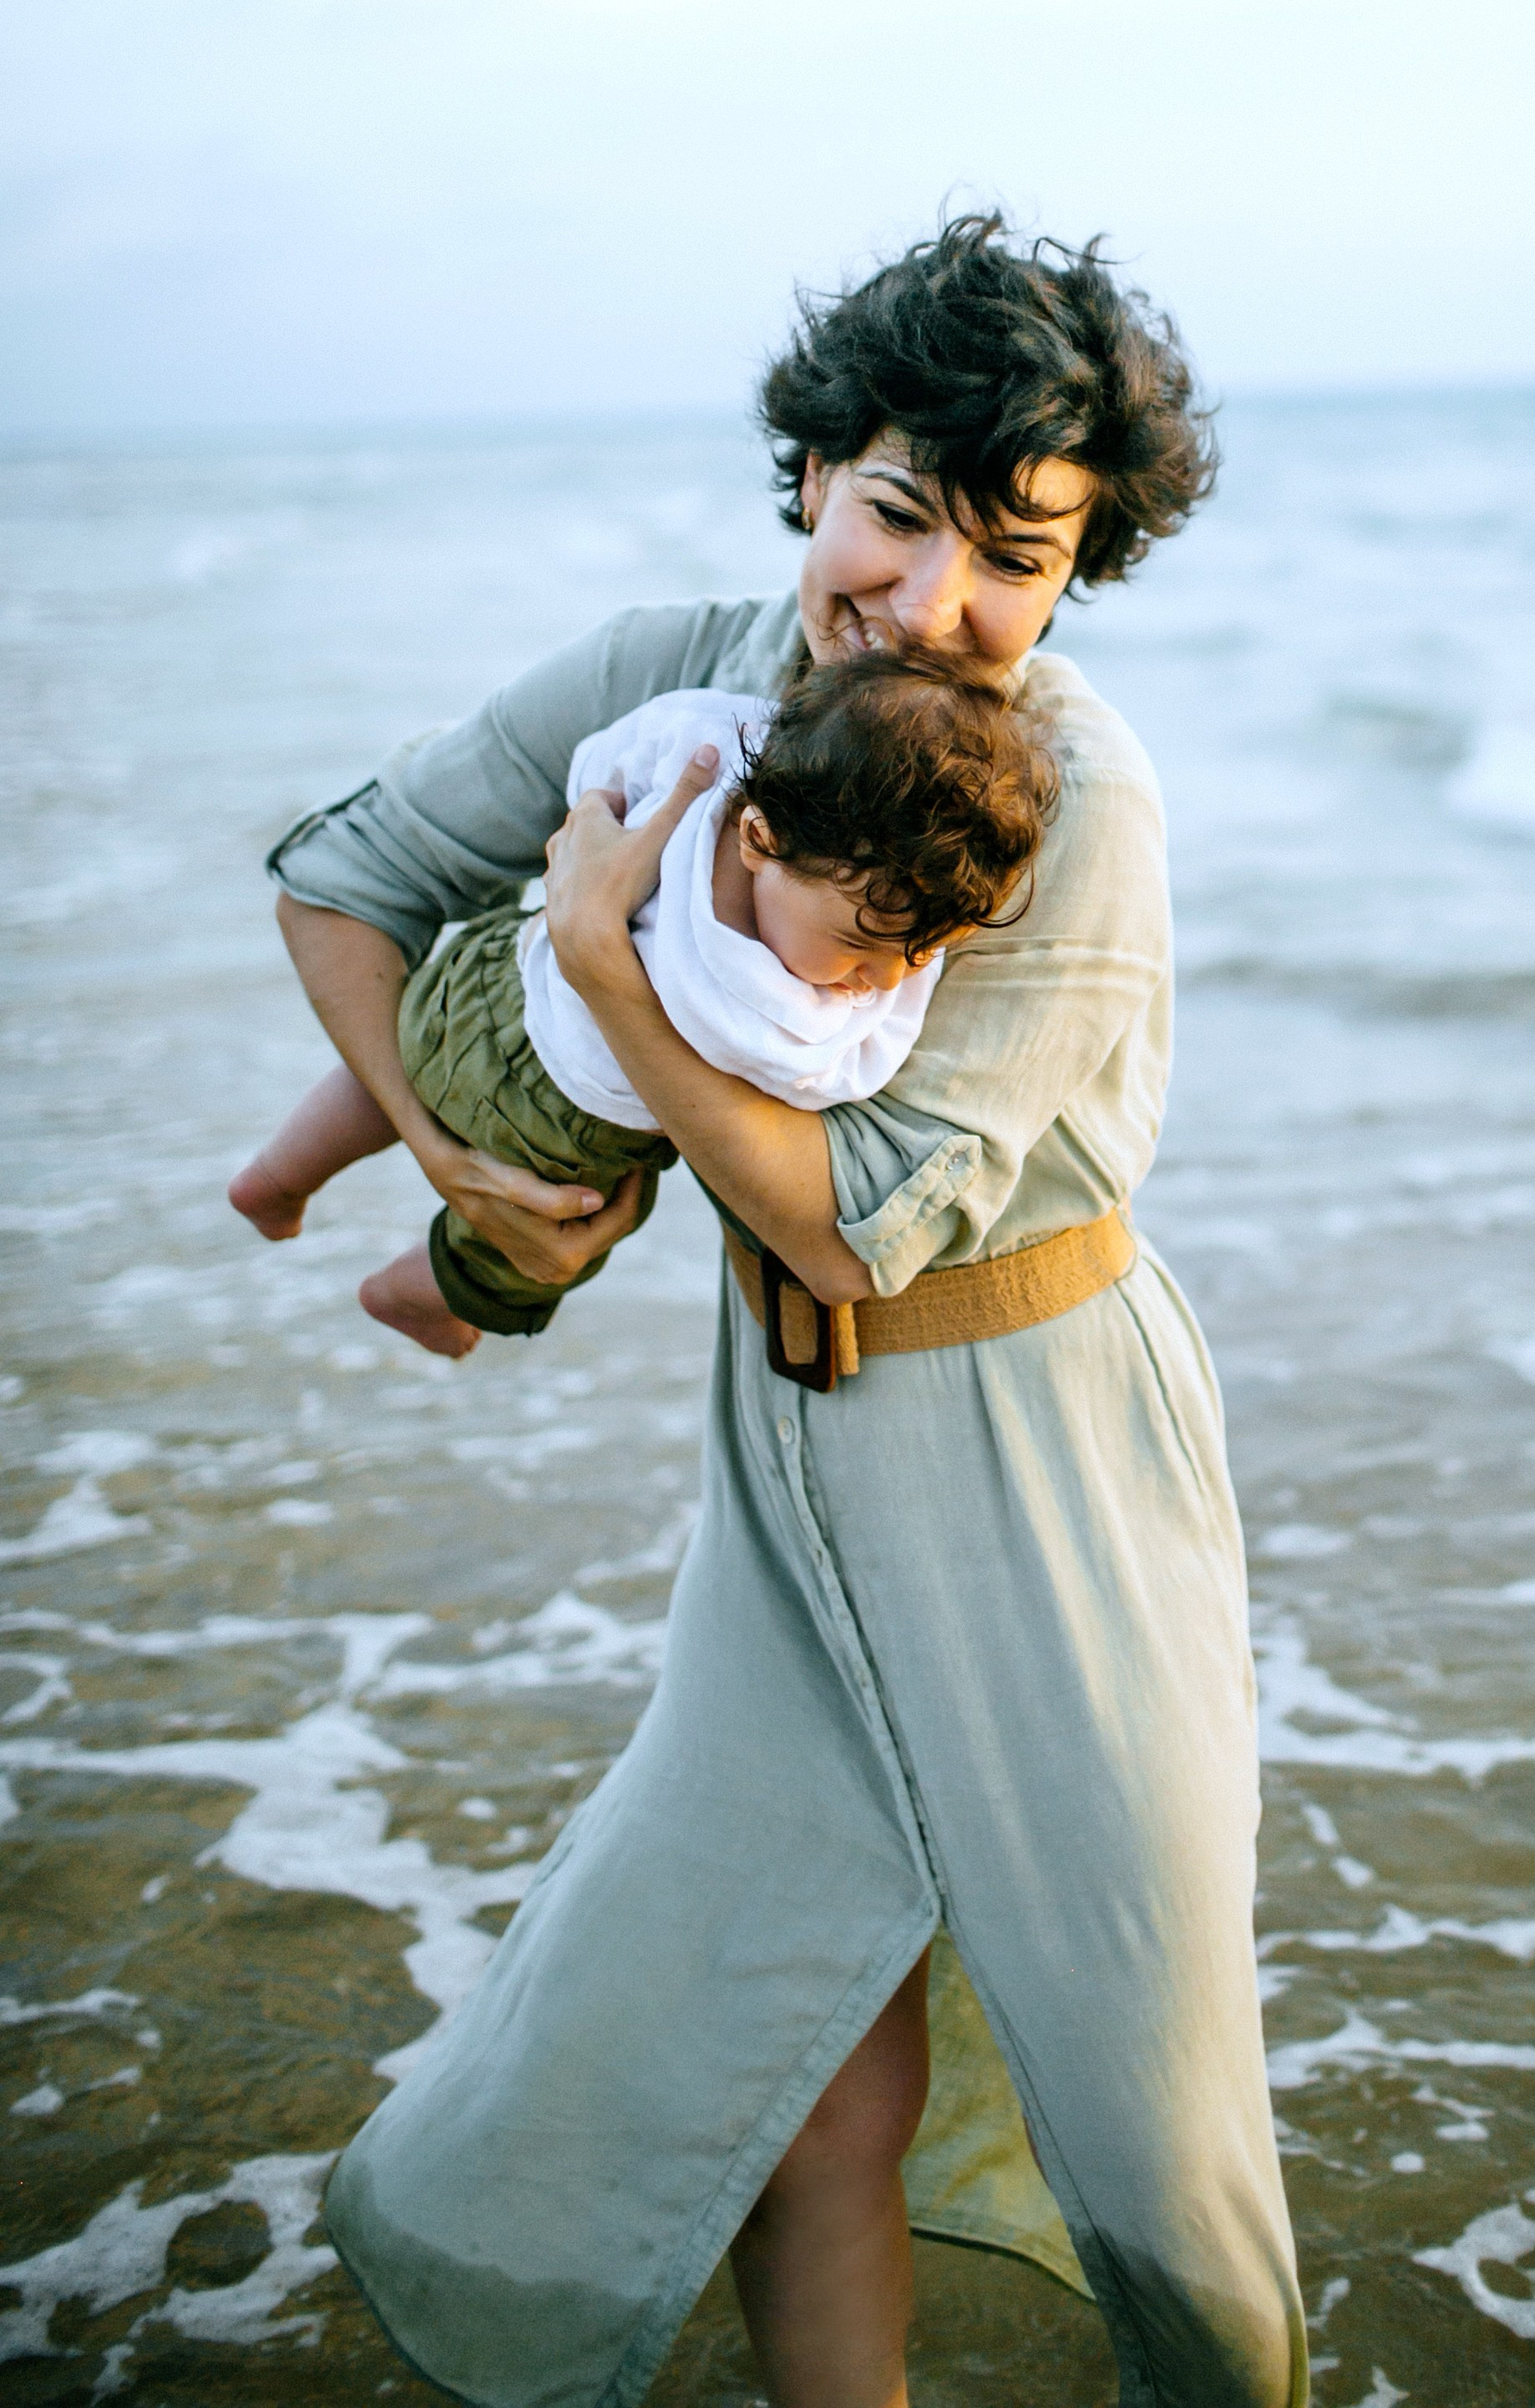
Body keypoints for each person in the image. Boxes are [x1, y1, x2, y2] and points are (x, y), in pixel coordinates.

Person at [265, 214, 1309, 2408]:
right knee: (776, 2045)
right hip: (792, 1476)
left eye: (1015, 558)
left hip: (1046, 1475)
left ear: (1073, 573)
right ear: (817, 465)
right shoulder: (683, 660)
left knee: (1152, 2107)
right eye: (902, 515)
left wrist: (611, 967)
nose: (934, 604)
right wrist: (444, 1153)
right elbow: (345, 872)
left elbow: (841, 1224)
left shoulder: (1063, 804)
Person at [229, 650, 1055, 1360]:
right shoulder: (757, 1001)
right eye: (860, 946)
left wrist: (598, 811)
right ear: (761, 842)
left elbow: (609, 757)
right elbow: (828, 1081)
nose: (882, 978)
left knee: (406, 1050)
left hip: (493, 978)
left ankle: (280, 1176)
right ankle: (426, 1293)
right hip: (558, 1124)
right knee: (545, 1238)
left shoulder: (707, 768)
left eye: (922, 953)